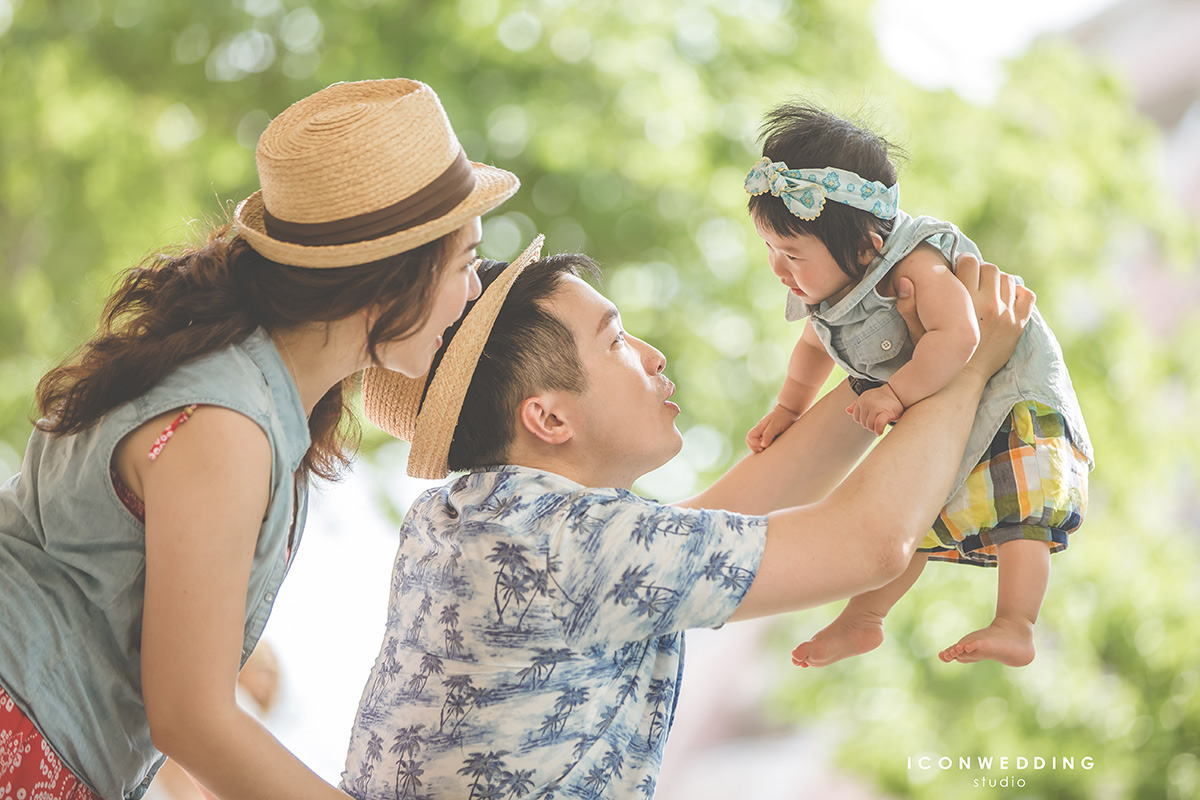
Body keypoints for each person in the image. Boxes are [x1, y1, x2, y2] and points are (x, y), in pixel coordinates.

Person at [341, 233, 1033, 799]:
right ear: (547, 417)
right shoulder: (560, 542)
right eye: (616, 342)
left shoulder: (472, 522)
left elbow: (724, 516)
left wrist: (902, 357)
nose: (651, 355)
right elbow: (871, 543)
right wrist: (968, 367)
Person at [0, 78, 518, 800]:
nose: (472, 294)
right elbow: (192, 719)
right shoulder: (227, 425)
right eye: (465, 262)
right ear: (392, 275)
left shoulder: (255, 393)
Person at [742, 104, 1093, 668]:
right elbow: (811, 350)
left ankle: (1017, 622)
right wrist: (788, 407)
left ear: (865, 244)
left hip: (1008, 397)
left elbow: (960, 335)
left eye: (791, 254)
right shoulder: (827, 294)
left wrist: (898, 394)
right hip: (940, 411)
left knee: (1019, 511)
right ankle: (863, 618)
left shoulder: (917, 263)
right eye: (770, 250)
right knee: (914, 512)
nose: (778, 269)